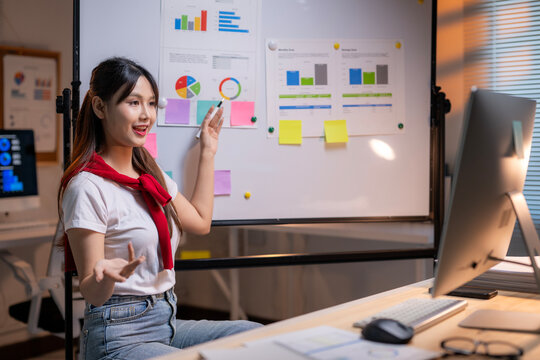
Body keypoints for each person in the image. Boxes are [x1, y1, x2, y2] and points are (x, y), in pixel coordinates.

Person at [58, 57, 261, 360]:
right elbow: (92, 292)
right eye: (133, 102)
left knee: (256, 335)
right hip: (116, 335)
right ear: (100, 108)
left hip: (164, 320)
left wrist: (207, 150)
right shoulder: (86, 186)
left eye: (151, 103)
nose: (146, 115)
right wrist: (106, 276)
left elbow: (201, 222)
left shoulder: (150, 174)